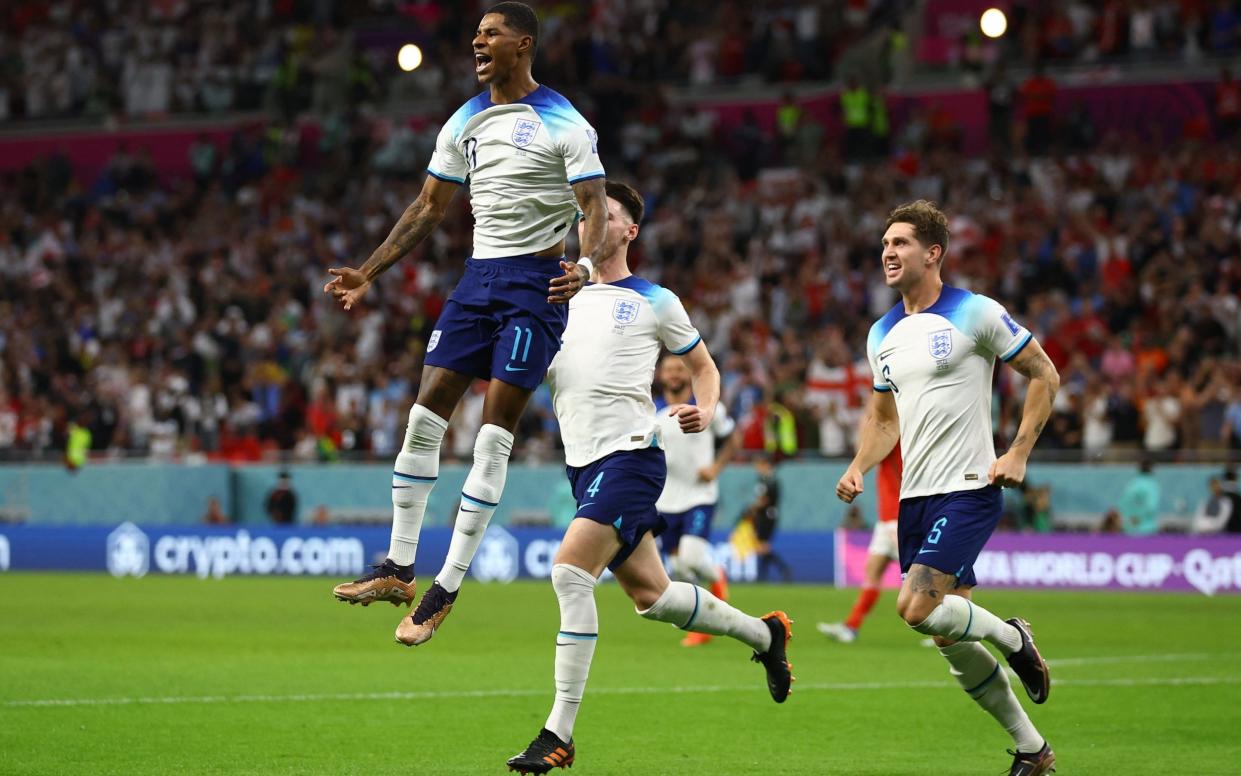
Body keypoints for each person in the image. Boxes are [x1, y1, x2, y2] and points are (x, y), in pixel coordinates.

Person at [324, 3, 609, 647]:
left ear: (523, 44)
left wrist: (586, 264)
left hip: (535, 287)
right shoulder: (465, 119)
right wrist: (370, 271)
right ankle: (398, 568)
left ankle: (444, 589)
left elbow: (592, 201)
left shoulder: (564, 120)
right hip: (477, 281)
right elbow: (429, 206)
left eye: (492, 33)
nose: (477, 40)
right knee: (425, 414)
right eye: (476, 32)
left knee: (490, 436)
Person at [505, 182, 792, 774]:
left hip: (631, 458)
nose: (590, 222)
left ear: (629, 230)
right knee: (653, 598)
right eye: (585, 212)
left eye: (604, 214)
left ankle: (558, 733)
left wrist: (708, 409)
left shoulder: (655, 300)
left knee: (568, 572)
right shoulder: (557, 293)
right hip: (582, 463)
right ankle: (766, 637)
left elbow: (705, 368)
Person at [835, 200, 1059, 776]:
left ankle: (1013, 638)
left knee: (914, 608)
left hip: (967, 487)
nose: (888, 252)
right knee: (947, 633)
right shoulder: (880, 333)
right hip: (915, 497)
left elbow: (1044, 373)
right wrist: (860, 464)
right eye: (885, 243)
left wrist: (1017, 452)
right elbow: (885, 420)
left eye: (901, 243)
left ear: (933, 253)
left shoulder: (975, 312)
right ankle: (1033, 751)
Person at [654, 352, 741, 647]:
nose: (674, 374)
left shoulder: (707, 407)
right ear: (660, 375)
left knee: (693, 558)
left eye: (680, 368)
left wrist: (715, 468)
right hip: (665, 500)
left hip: (699, 496)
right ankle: (701, 624)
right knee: (678, 569)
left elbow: (733, 439)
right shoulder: (649, 411)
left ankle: (718, 578)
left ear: (689, 373)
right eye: (669, 369)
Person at [818, 445, 902, 643]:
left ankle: (945, 632)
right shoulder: (892, 434)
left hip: (899, 517)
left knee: (922, 577)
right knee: (872, 572)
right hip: (886, 519)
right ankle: (851, 626)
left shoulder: (894, 437)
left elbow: (865, 447)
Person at [748, 455, 791, 582]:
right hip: (764, 515)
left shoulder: (771, 481)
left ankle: (782, 569)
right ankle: (764, 575)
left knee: (762, 547)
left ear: (766, 465)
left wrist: (754, 508)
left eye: (760, 465)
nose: (757, 468)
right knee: (762, 547)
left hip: (768, 516)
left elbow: (765, 500)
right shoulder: (763, 480)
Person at [1117, 459, 1161, 536]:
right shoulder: (1151, 485)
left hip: (1129, 528)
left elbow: (1123, 505)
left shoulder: (1132, 484)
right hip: (1147, 529)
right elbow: (1151, 506)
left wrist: (1131, 519)